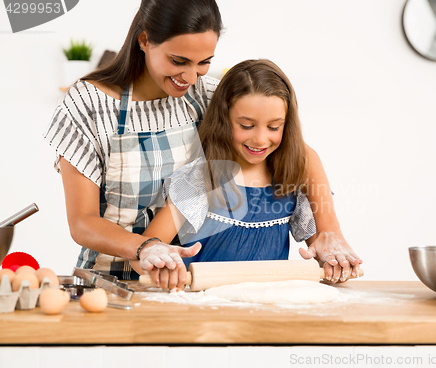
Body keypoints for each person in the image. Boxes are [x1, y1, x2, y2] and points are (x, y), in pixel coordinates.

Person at [43, 0, 361, 284]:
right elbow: (83, 223)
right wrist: (147, 246)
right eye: (179, 61)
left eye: (204, 62)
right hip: (108, 281)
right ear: (144, 40)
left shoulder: (206, 93)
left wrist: (329, 230)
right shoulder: (88, 104)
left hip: (180, 282)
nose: (191, 77)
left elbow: (299, 152)